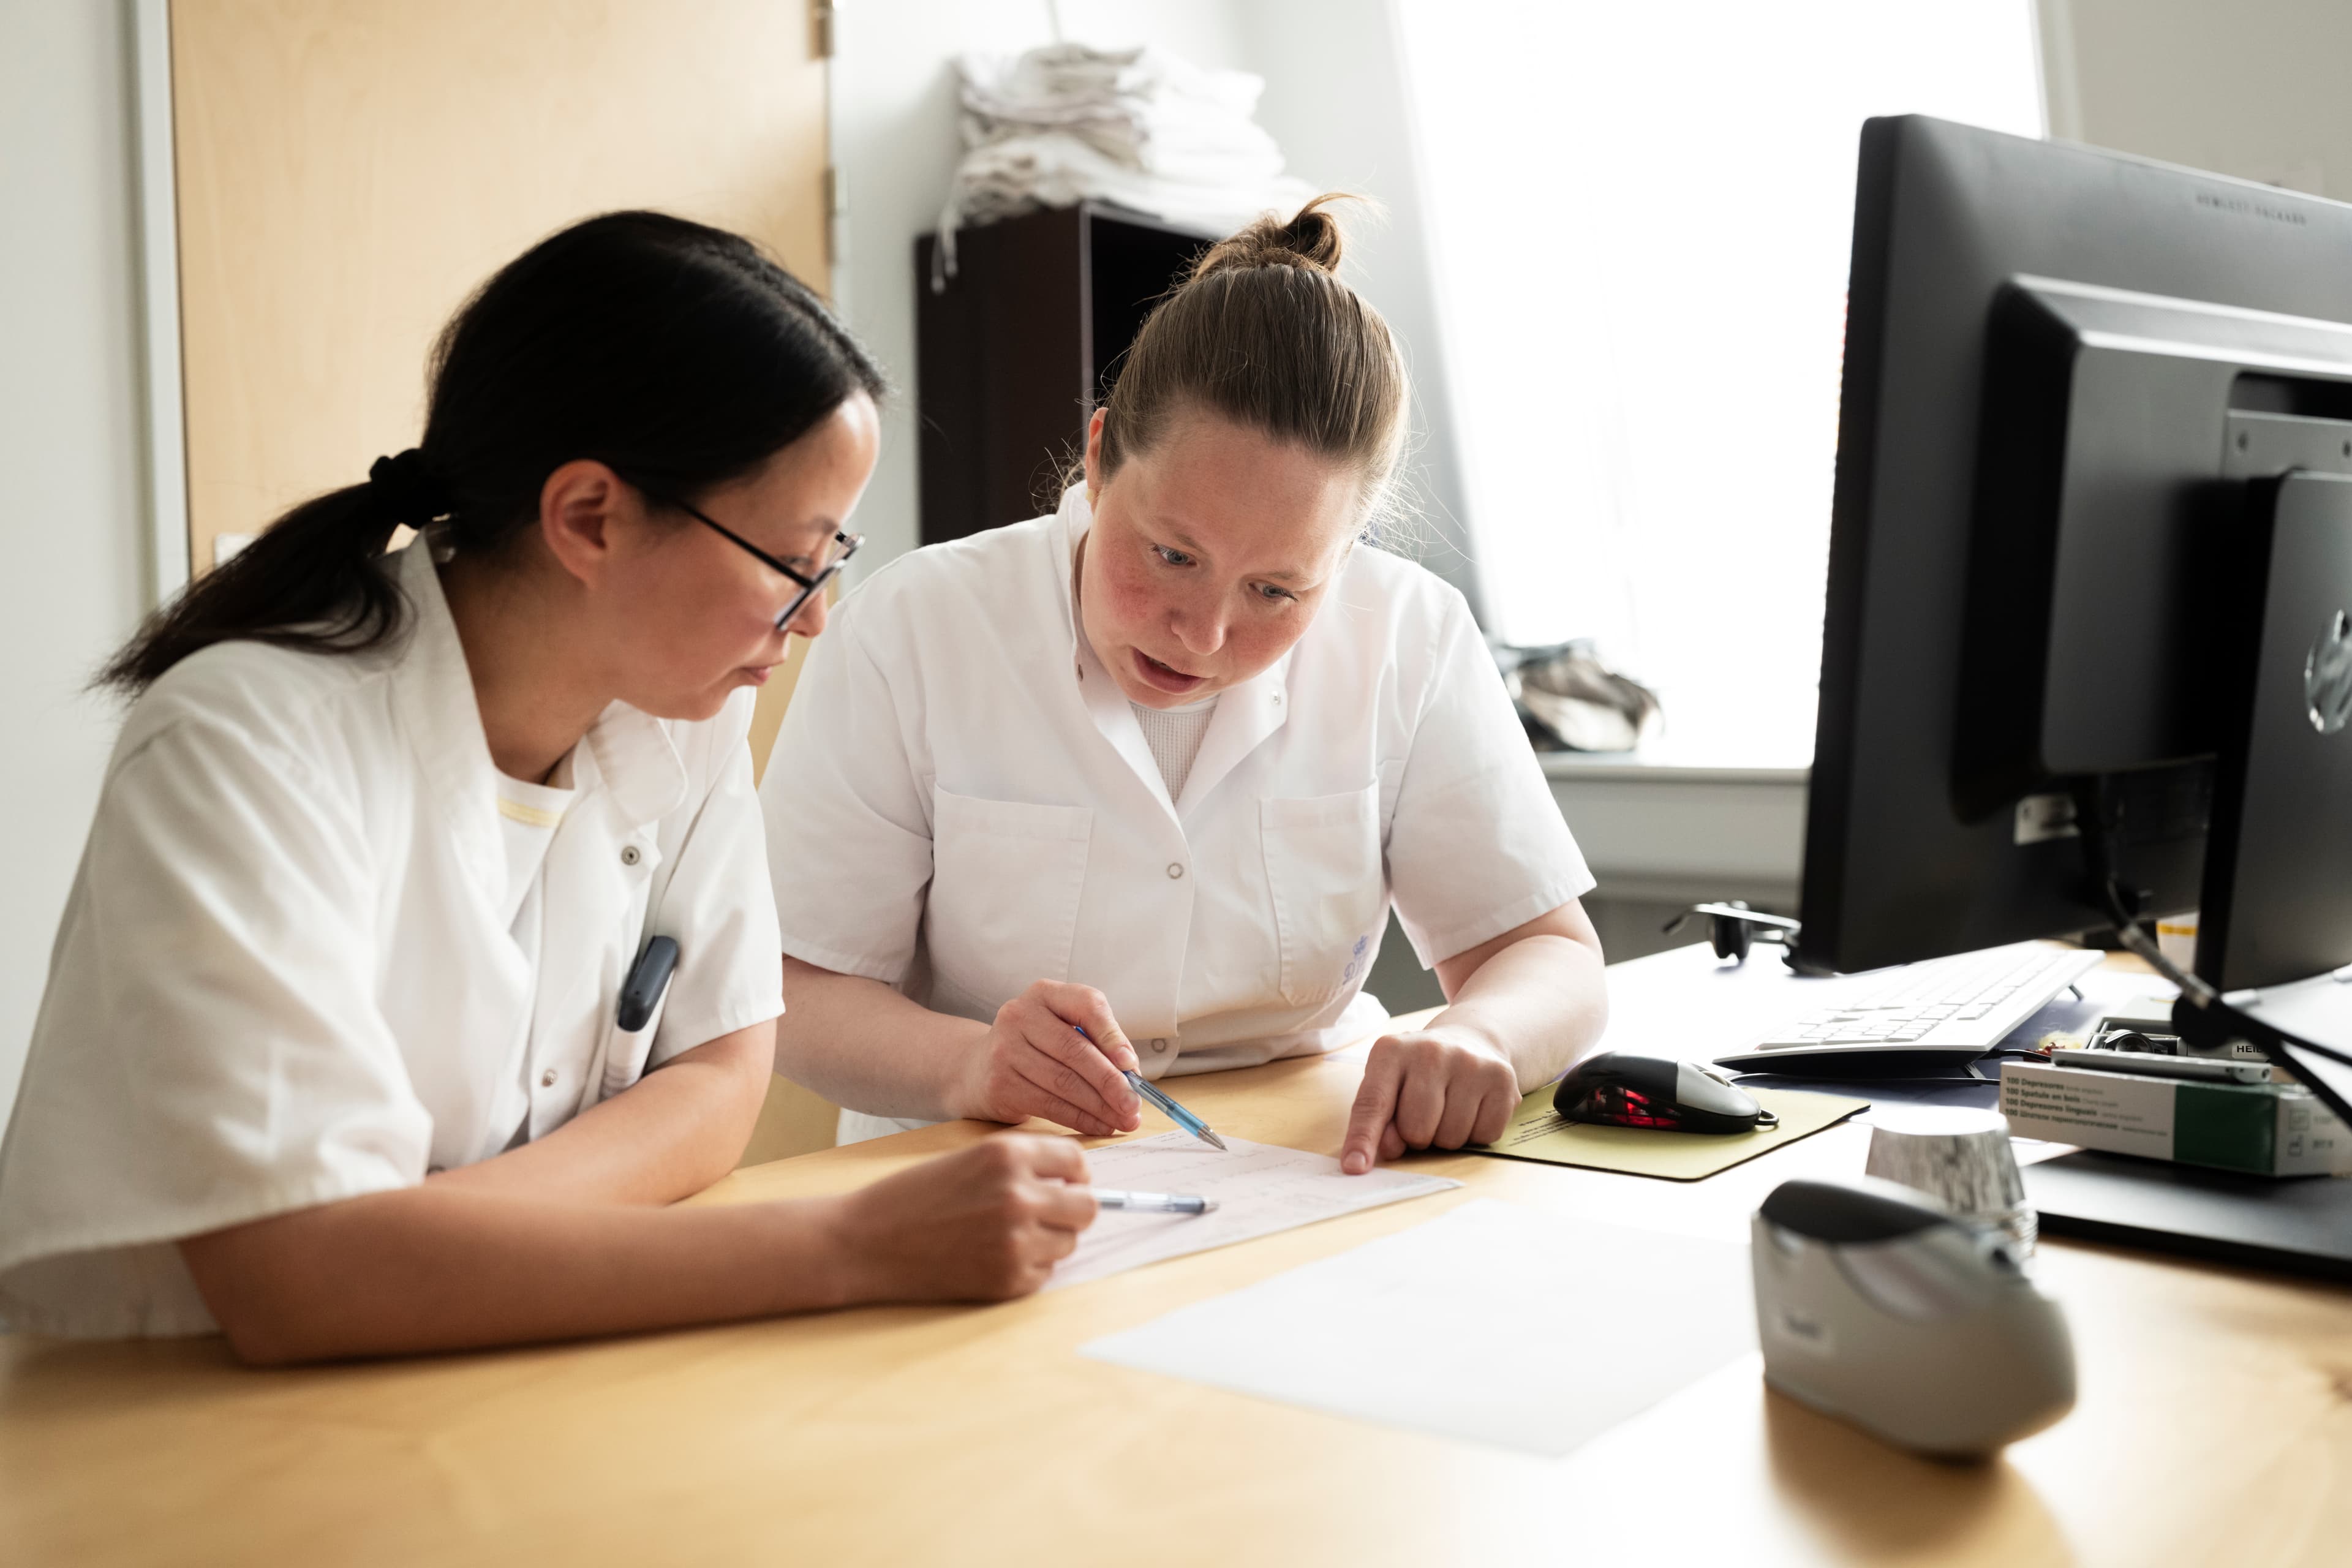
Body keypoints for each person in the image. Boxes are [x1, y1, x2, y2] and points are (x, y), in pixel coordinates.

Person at [0, 213, 1095, 1362]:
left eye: (836, 561)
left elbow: (724, 1075)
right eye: (793, 560)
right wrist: (852, 1244)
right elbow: (297, 1284)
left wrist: (409, 1253)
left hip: (509, 1370)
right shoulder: (242, 745)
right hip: (190, 1427)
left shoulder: (686, 715)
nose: (817, 614)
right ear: (589, 518)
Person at [761, 197, 1608, 1171]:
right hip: (985, 1169)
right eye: (1169, 554)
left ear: (1346, 555)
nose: (1203, 634)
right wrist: (971, 1063)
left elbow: (1548, 954)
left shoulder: (1407, 631)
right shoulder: (914, 629)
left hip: (1310, 1166)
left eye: (1277, 589)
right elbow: (791, 990)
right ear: (1097, 454)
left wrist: (1481, 1037)